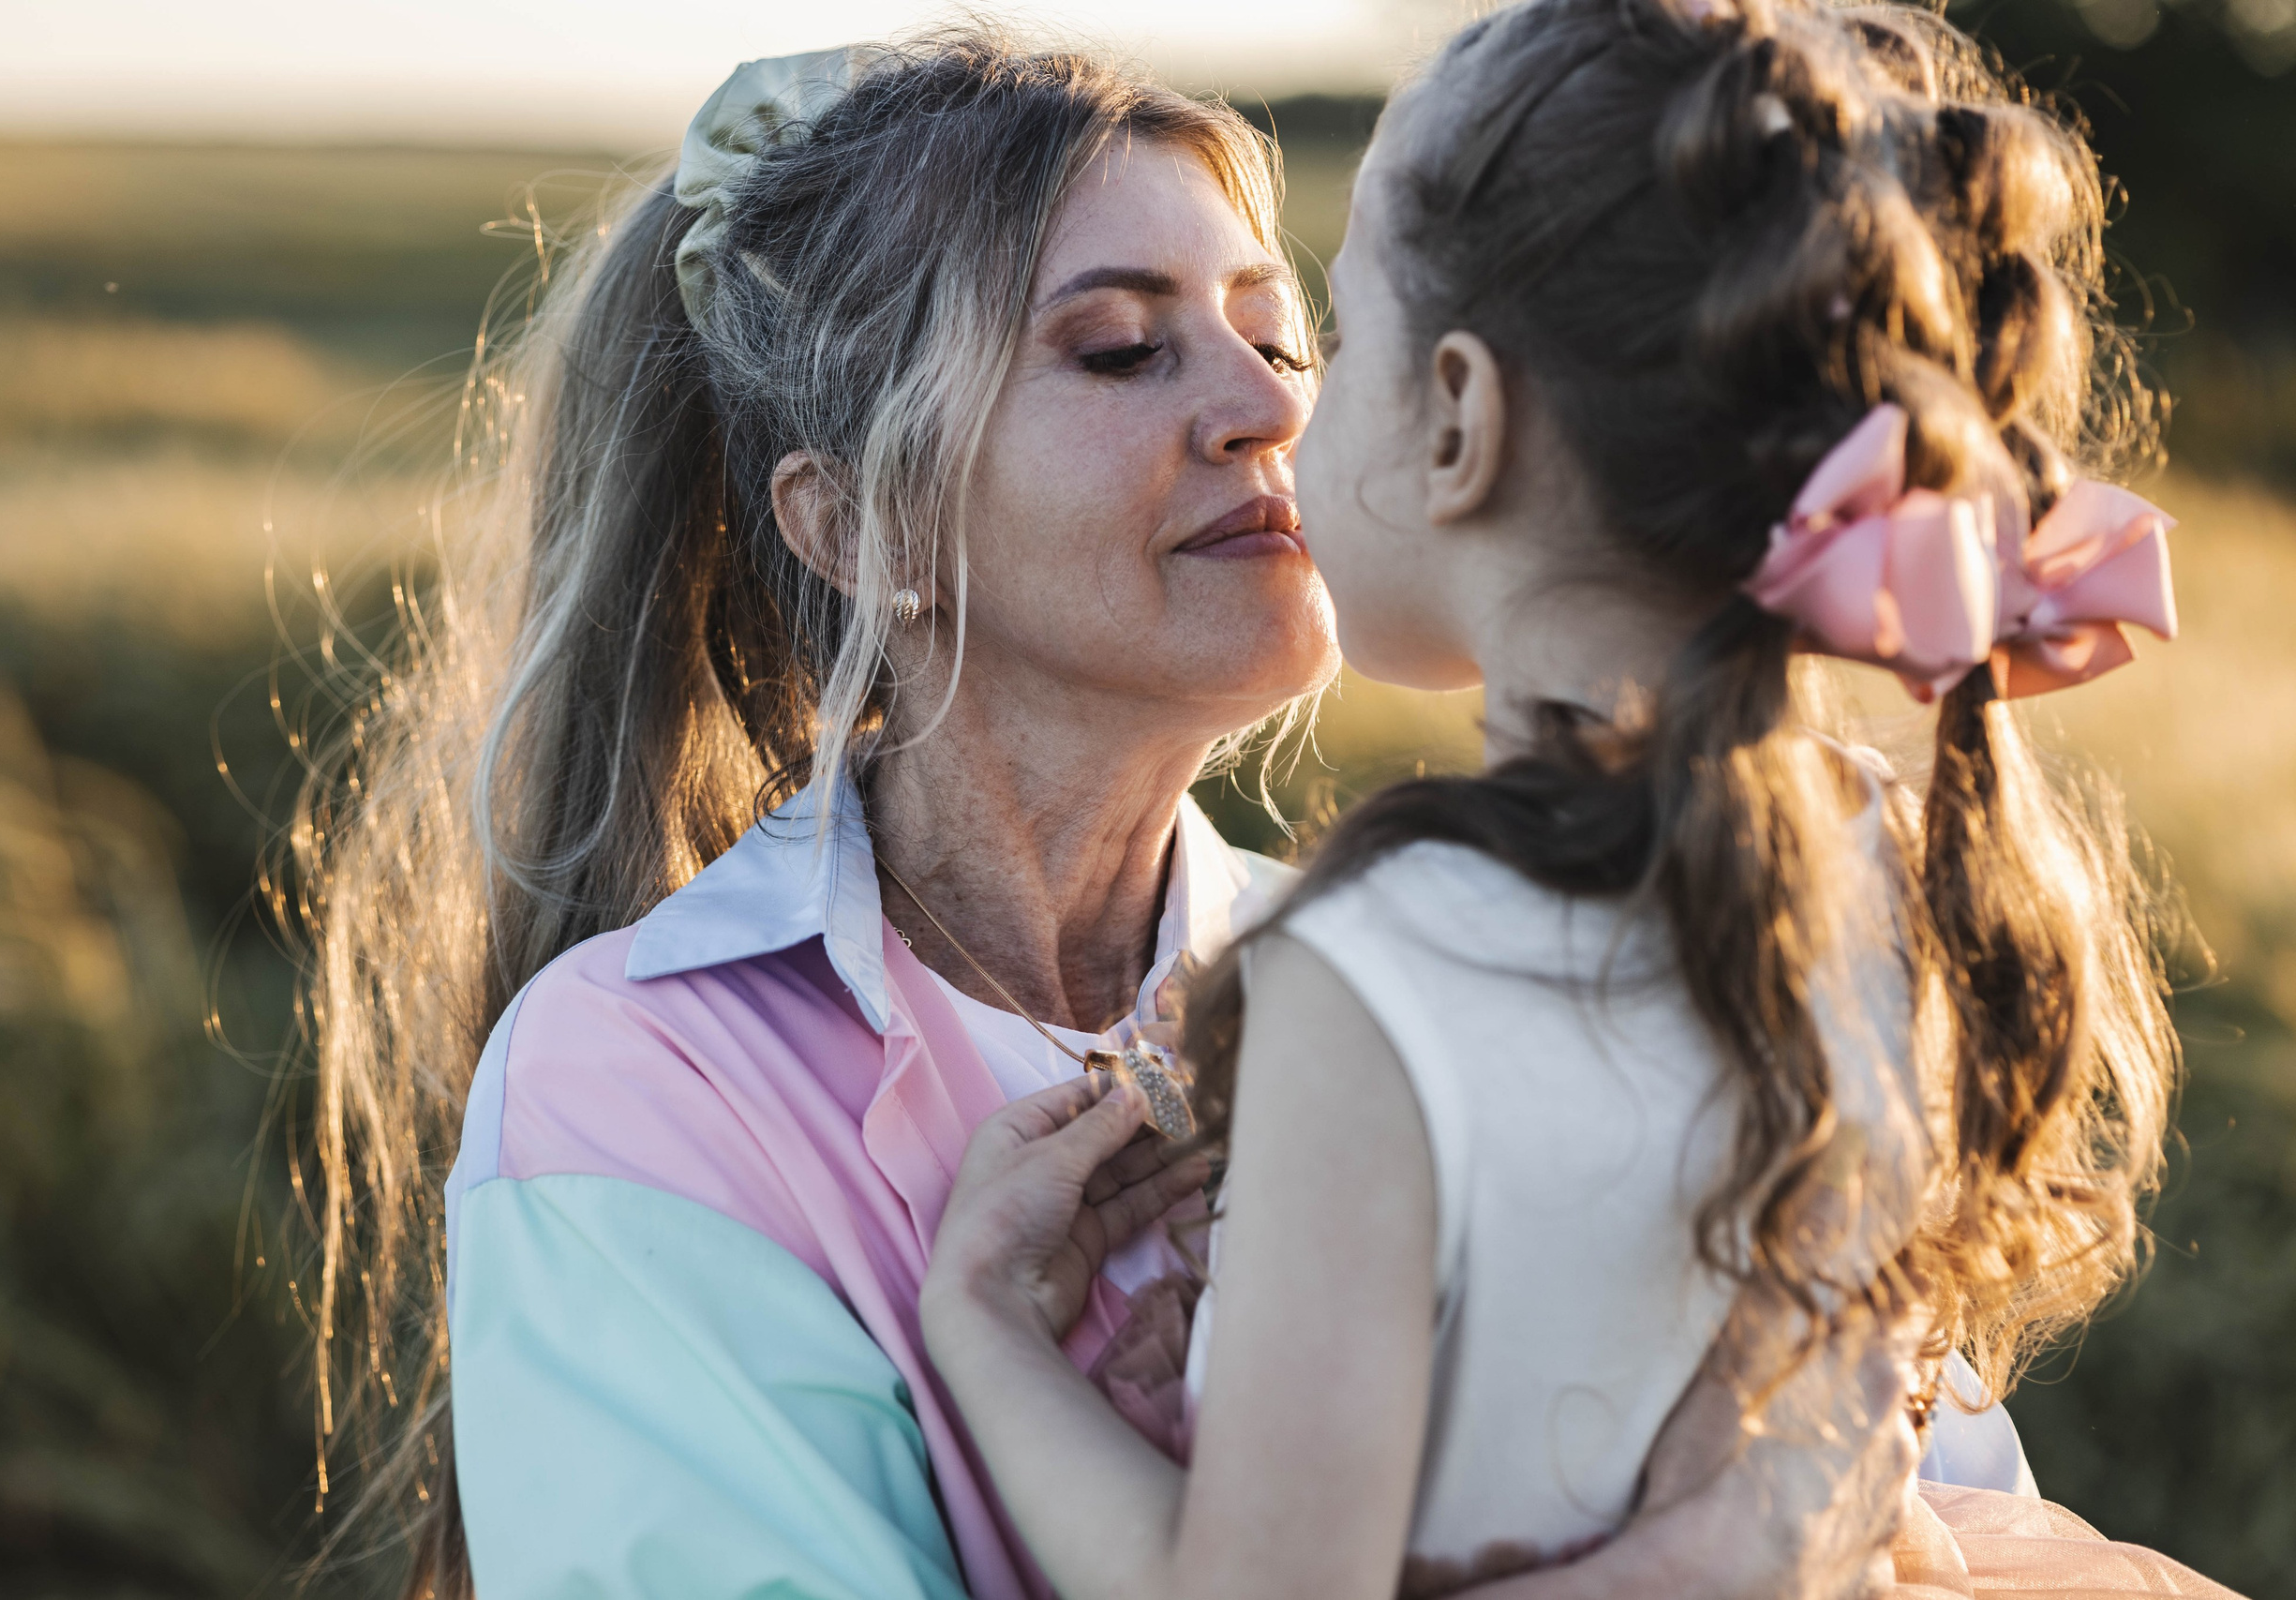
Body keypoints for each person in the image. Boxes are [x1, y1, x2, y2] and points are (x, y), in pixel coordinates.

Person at [301, 32, 2005, 1600]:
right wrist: (1735, 1547)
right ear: (863, 527)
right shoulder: (646, 1082)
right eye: (1120, 349)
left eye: (1281, 334)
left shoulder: (1435, 966)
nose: (1271, 407)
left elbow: (1967, 1519)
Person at [917, 1, 2242, 1596]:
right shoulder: (1884, 861)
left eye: (1327, 341)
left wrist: (986, 1336)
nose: (1282, 413)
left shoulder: (1384, 972)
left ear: (1460, 420)